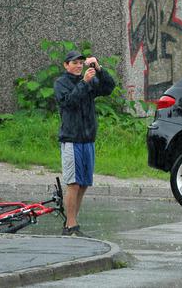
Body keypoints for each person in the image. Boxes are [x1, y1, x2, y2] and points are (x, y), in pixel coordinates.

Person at [54, 50, 115, 236]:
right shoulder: (61, 83)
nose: (79, 66)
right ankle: (71, 225)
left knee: (84, 183)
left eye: (81, 63)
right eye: (74, 63)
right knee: (73, 183)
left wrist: (99, 68)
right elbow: (69, 102)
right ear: (66, 65)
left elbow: (109, 87)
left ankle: (71, 221)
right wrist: (84, 83)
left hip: (88, 139)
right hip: (71, 139)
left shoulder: (89, 79)